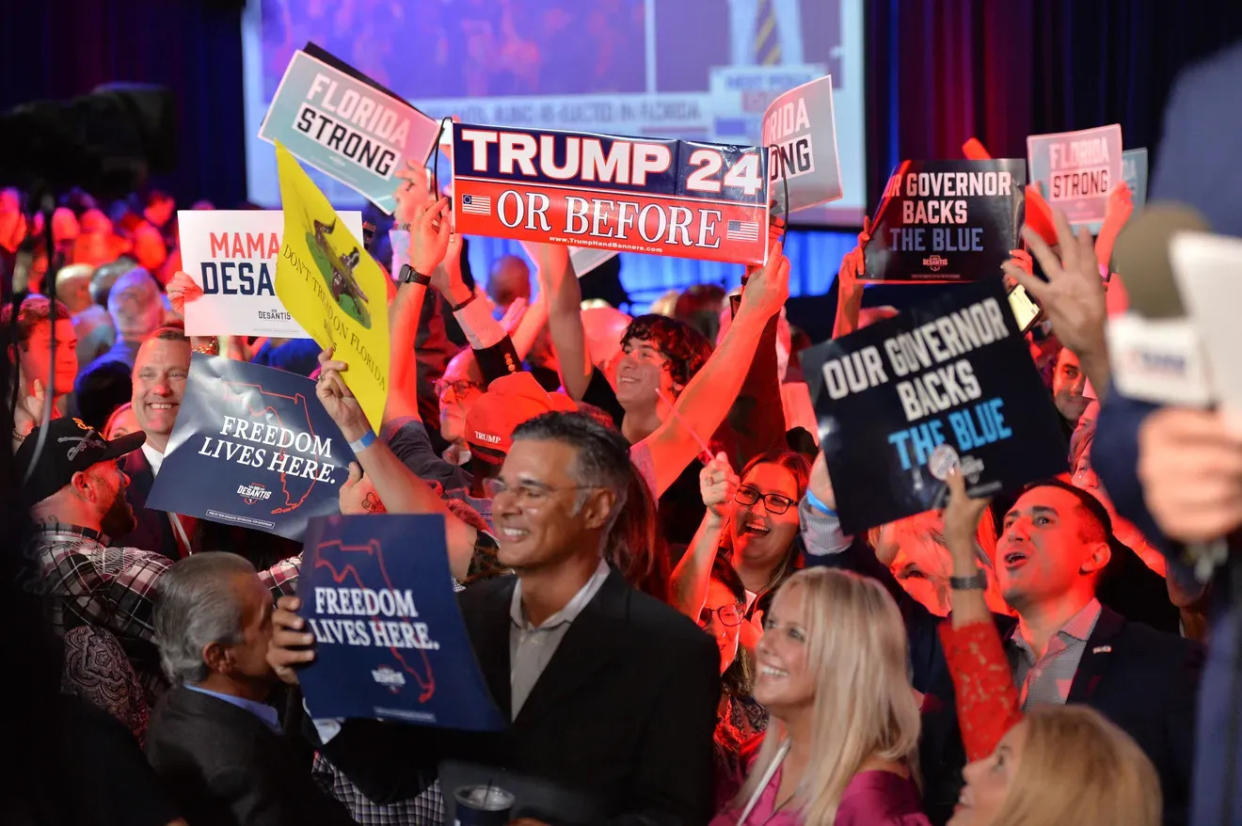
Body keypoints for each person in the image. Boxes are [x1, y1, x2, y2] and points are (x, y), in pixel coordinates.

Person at [268, 410, 720, 824]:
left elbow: (672, 813)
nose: (502, 506)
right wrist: (322, 681)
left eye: (531, 492)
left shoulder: (674, 651)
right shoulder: (474, 614)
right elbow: (395, 774)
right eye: (504, 487)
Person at [937, 470, 1161, 826]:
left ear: (1094, 556)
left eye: (1042, 519)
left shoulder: (1161, 665)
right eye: (1009, 522)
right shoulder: (963, 653)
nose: (1016, 531)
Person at [147, 553, 355, 826]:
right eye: (267, 616)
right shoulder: (243, 771)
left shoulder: (179, 703)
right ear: (220, 657)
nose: (285, 620)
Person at [711, 568, 928, 825]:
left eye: (795, 634)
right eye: (772, 625)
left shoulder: (873, 795)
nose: (766, 644)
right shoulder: (757, 756)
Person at [672, 449, 811, 633]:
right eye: (748, 492)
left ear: (802, 520)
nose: (757, 510)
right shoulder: (679, 564)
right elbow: (671, 622)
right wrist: (714, 518)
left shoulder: (809, 607)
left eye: (777, 500)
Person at [113, 326, 192, 559]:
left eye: (177, 374)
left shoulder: (239, 471)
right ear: (132, 383)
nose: (160, 389)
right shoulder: (110, 484)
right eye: (147, 375)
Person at [3, 295, 77, 443]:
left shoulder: (62, 416)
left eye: (71, 346)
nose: (68, 358)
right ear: (16, 356)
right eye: (53, 347)